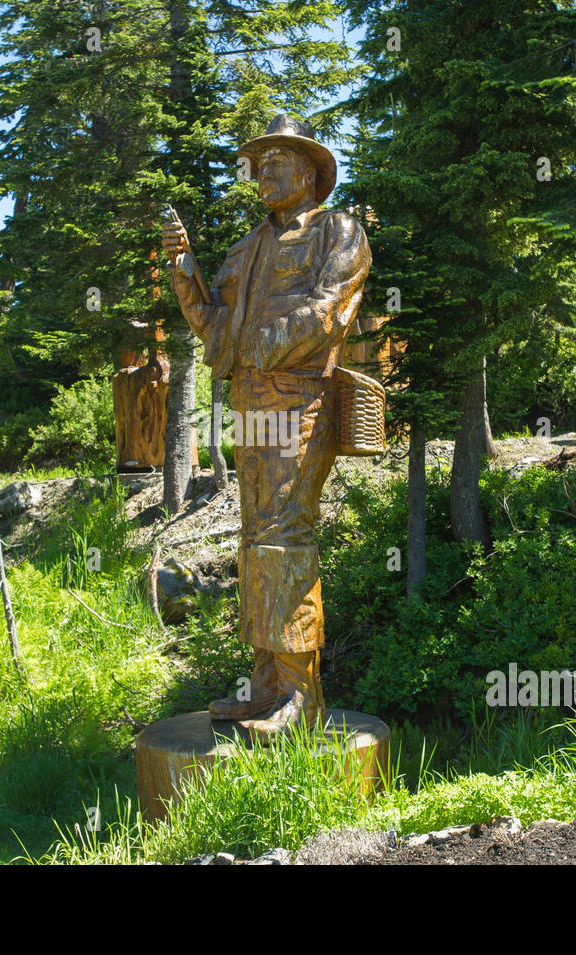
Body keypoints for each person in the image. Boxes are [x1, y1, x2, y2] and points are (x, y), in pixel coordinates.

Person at [161, 115, 371, 734]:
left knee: (285, 536)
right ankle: (265, 685)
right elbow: (213, 326)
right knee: (255, 537)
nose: (261, 174)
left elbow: (331, 310)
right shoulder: (247, 246)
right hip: (252, 405)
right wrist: (184, 270)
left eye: (274, 163)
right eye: (256, 166)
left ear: (308, 170)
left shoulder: (339, 231)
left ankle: (300, 694)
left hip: (299, 402)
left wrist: (261, 345)